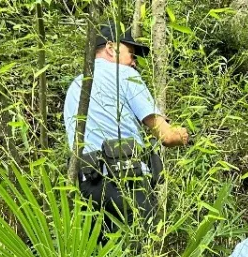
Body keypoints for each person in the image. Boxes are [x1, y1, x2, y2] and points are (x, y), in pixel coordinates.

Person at [63, 22, 188, 229]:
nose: (134, 63)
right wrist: (182, 135)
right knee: (138, 256)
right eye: (131, 54)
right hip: (127, 184)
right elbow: (166, 136)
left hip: (87, 187)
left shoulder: (76, 85)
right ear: (111, 48)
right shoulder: (126, 76)